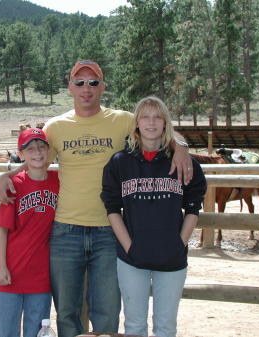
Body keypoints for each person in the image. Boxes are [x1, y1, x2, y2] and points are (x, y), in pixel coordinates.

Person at [0, 60, 193, 337]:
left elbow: (158, 128)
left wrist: (181, 146)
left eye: (92, 82)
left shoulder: (122, 120)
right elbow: (35, 158)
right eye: (79, 83)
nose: (86, 88)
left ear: (102, 87)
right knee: (67, 311)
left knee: (108, 310)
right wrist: (8, 175)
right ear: (70, 87)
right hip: (65, 230)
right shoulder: (56, 127)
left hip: (109, 230)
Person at [100, 96, 207, 337]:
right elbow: (112, 208)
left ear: (166, 122)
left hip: (171, 258)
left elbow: (193, 207)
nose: (151, 123)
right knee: (134, 326)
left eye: (157, 116)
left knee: (166, 326)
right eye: (145, 116)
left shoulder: (182, 162)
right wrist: (129, 247)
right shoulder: (120, 162)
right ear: (136, 122)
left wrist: (179, 244)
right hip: (132, 259)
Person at [0, 128, 59, 337]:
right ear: (21, 154)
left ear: (49, 151)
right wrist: (2, 267)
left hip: (41, 276)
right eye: (30, 149)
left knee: (37, 331)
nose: (37, 153)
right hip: (11, 272)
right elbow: (2, 230)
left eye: (41, 147)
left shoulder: (58, 181)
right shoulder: (14, 185)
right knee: (6, 331)